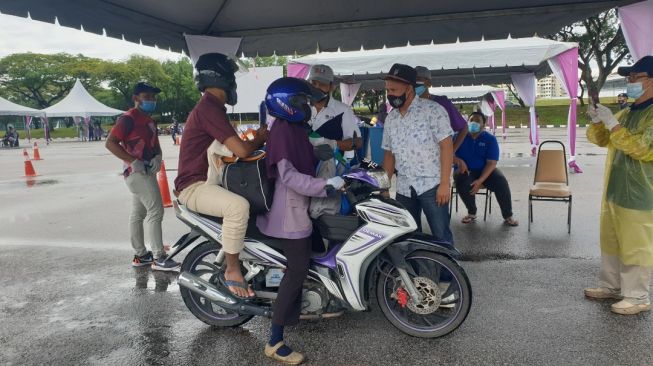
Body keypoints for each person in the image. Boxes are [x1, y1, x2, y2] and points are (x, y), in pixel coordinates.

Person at [256, 77, 345, 364]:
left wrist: (320, 153)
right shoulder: (281, 131)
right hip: (289, 215)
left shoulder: (293, 128)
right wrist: (327, 185)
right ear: (286, 103)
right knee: (297, 270)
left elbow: (304, 156)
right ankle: (274, 340)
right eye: (302, 102)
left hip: (300, 209)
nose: (307, 106)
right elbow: (290, 177)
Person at [174, 53, 268, 299]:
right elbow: (242, 149)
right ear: (221, 77)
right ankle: (233, 270)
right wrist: (262, 136)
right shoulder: (209, 108)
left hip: (206, 181)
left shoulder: (213, 107)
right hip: (193, 187)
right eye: (232, 77)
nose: (234, 83)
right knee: (238, 206)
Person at [584, 55, 653, 315]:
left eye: (636, 77)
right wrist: (598, 121)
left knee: (636, 244)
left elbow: (644, 148)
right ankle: (611, 286)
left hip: (642, 193)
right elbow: (601, 140)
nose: (630, 82)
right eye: (629, 78)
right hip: (615, 190)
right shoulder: (628, 112)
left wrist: (613, 124)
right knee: (612, 241)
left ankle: (637, 296)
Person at [105, 82, 179, 271]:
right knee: (156, 211)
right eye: (147, 97)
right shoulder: (128, 119)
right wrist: (132, 160)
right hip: (137, 173)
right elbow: (111, 143)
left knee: (138, 214)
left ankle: (141, 255)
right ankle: (159, 257)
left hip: (147, 170)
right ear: (135, 98)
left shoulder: (149, 120)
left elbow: (154, 144)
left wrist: (158, 156)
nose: (151, 100)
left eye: (153, 97)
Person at [382, 63, 455, 245]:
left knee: (441, 236)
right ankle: (417, 274)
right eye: (388, 90)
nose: (390, 94)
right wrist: (384, 186)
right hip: (405, 187)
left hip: (432, 185)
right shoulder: (391, 118)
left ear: (409, 88)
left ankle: (450, 274)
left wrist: (445, 183)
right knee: (409, 237)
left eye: (394, 89)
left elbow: (447, 147)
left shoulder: (433, 111)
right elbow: (389, 154)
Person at [306, 64, 362, 217]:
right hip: (302, 171)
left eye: (322, 84)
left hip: (329, 171)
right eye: (313, 83)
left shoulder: (342, 110)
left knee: (325, 217)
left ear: (331, 87)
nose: (316, 88)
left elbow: (358, 142)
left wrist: (333, 144)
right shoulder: (300, 108)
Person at [453, 112, 518, 226]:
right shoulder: (459, 136)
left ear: (484, 125)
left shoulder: (490, 139)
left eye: (477, 121)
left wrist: (480, 181)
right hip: (465, 171)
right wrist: (458, 161)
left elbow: (491, 163)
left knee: (501, 181)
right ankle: (472, 212)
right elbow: (448, 153)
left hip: (485, 171)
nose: (474, 123)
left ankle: (508, 215)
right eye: (471, 119)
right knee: (461, 180)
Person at [415, 66, 468, 152]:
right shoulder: (408, 105)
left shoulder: (442, 103)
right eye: (412, 80)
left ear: (428, 83)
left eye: (418, 79)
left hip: (438, 158)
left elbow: (464, 127)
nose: (415, 83)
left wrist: (452, 151)